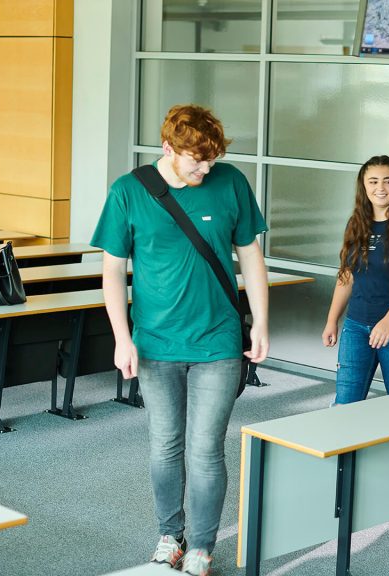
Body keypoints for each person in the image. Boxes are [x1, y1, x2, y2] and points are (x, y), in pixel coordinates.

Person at [92, 104, 268, 576]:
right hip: (155, 343)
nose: (205, 168)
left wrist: (262, 323)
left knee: (206, 447)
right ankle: (170, 535)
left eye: (211, 160)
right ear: (167, 147)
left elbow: (251, 256)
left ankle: (201, 547)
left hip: (218, 342)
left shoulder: (230, 183)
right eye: (196, 160)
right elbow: (112, 271)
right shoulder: (129, 191)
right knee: (165, 444)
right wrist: (121, 338)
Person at [323, 155, 389, 404]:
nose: (380, 188)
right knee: (345, 403)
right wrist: (332, 320)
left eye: (387, 181)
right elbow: (347, 276)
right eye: (373, 181)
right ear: (364, 186)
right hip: (357, 325)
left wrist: (388, 322)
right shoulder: (357, 223)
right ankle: (349, 445)